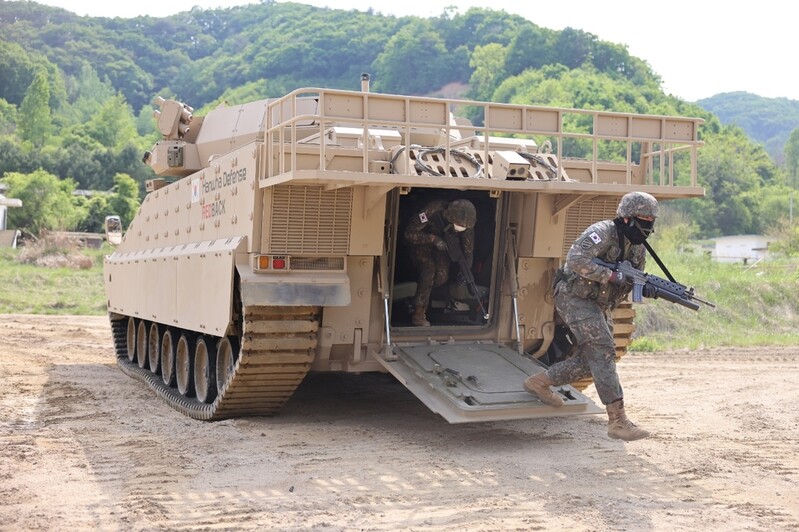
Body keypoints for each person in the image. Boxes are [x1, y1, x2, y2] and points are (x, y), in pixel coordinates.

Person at [524, 191, 658, 441]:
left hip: (598, 303)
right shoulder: (603, 232)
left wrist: (646, 288)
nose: (647, 228)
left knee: (592, 361)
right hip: (573, 296)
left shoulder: (638, 250)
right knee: (603, 349)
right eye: (643, 221)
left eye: (651, 222)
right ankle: (617, 421)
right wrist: (611, 276)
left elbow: (630, 280)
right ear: (627, 218)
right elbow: (576, 259)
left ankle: (539, 381)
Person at [403, 198, 477, 326]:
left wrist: (465, 273)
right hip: (421, 243)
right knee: (429, 269)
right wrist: (433, 239)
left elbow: (468, 253)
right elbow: (409, 233)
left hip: (443, 247)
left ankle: (416, 299)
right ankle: (419, 312)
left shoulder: (467, 225)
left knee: (442, 276)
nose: (460, 229)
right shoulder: (432, 210)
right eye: (457, 225)